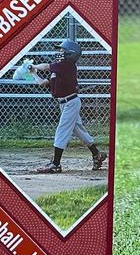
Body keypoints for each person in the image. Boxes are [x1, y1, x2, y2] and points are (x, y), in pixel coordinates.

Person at [29, 39, 106, 174]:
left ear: (70, 54)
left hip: (70, 102)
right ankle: (97, 154)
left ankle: (56, 164)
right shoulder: (59, 68)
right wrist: (33, 73)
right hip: (64, 103)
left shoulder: (67, 66)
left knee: (62, 130)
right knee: (78, 130)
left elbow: (47, 66)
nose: (59, 52)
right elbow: (42, 83)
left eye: (62, 50)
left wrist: (33, 65)